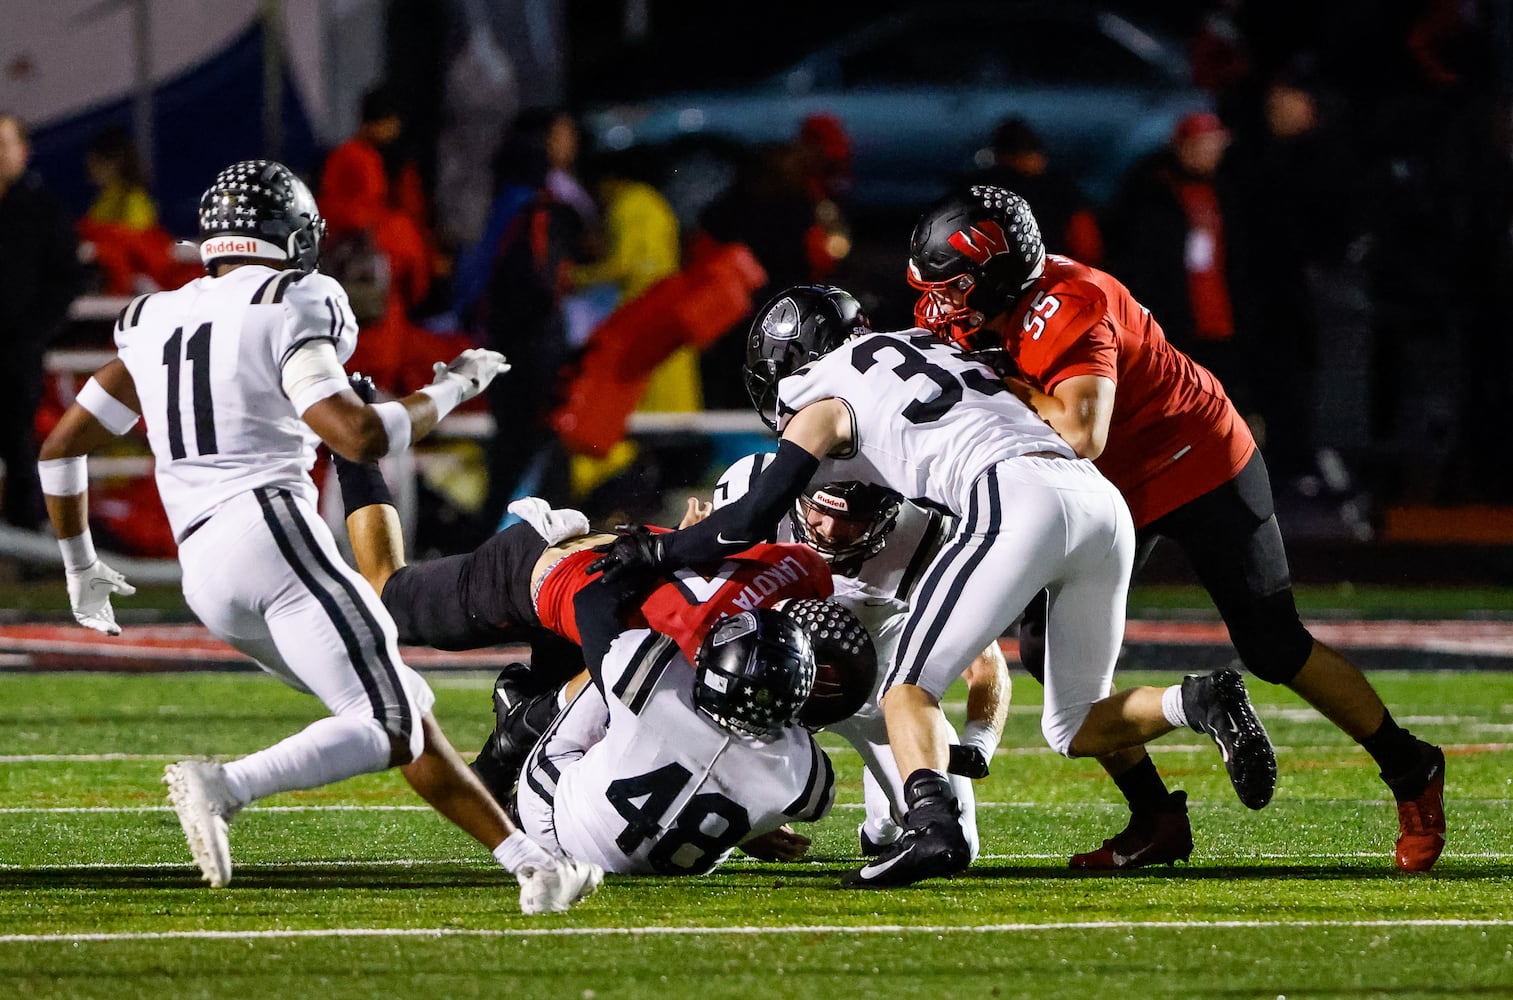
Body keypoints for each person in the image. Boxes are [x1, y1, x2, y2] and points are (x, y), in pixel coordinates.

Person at [34, 159, 600, 913]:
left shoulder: (152, 318)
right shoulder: (293, 298)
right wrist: (454, 386)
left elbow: (62, 449)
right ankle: (226, 785)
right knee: (391, 717)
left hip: (204, 567)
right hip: (270, 534)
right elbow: (356, 434)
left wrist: (80, 568)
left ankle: (534, 868)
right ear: (292, 238)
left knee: (396, 703)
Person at [589, 284, 1279, 888]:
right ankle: (1193, 700)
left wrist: (655, 550)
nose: (836, 518)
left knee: (906, 689)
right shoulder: (922, 346)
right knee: (1072, 725)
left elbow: (742, 524)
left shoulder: (824, 405)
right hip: (1094, 498)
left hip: (1010, 502)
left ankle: (930, 827)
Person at [904, 182, 1445, 872]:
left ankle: (1410, 770)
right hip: (1107, 489)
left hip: (1196, 457)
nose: (940, 302)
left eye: (954, 285)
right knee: (1048, 658)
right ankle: (1156, 818)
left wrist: (1000, 383)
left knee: (1273, 643)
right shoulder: (964, 305)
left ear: (1002, 274)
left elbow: (1081, 428)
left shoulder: (1070, 305)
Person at [711, 455, 1007, 859]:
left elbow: (984, 656)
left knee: (955, 846)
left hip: (878, 696)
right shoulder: (752, 489)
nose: (831, 530)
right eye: (820, 510)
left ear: (890, 513)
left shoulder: (927, 534)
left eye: (852, 519)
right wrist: (745, 818)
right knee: (707, 826)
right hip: (764, 687)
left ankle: (882, 818)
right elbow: (697, 625)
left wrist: (980, 740)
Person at [513, 574, 837, 875]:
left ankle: (518, 725)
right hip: (670, 869)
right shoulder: (806, 777)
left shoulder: (663, 680)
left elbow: (589, 604)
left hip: (556, 829)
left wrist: (651, 561)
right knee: (628, 697)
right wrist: (748, 832)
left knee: (610, 680)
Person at [0, 112, 86, 530]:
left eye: (3, 144)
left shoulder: (44, 210)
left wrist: (30, 334)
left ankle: (27, 544)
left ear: (23, 151)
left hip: (17, 354)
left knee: (20, 447)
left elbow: (67, 280)